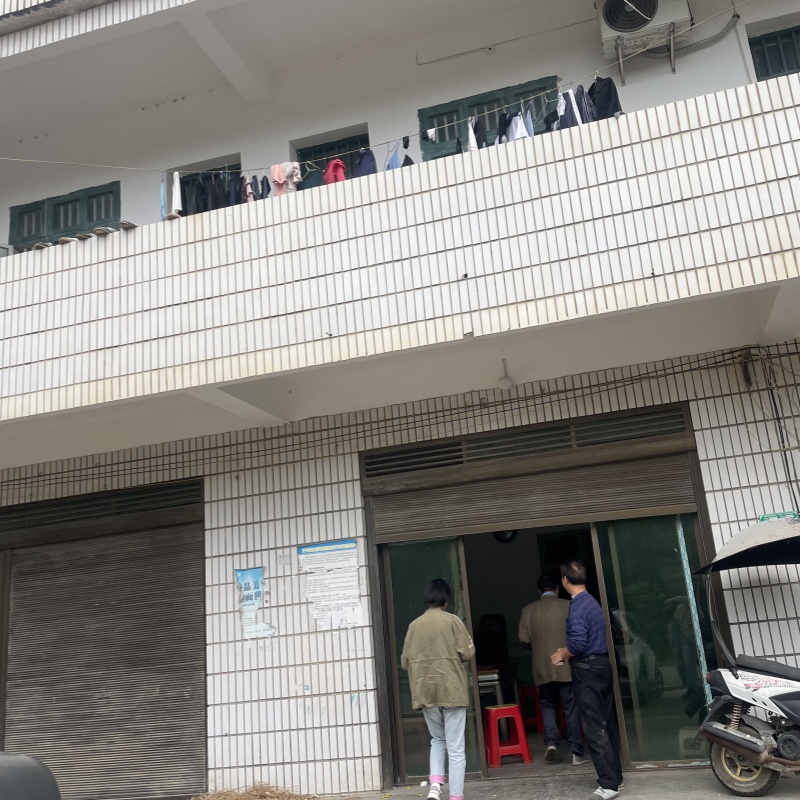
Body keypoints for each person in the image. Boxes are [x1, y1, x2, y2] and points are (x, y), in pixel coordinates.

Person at [551, 560, 623, 800]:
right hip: (601, 666)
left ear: (565, 581)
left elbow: (579, 644)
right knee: (606, 723)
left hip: (587, 671)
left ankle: (608, 784)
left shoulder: (578, 606)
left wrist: (562, 653)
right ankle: (616, 779)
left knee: (594, 727)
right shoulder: (592, 602)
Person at [401, 579, 476, 800]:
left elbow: (405, 661)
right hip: (451, 689)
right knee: (455, 747)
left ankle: (435, 786)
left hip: (425, 690)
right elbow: (468, 652)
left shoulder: (414, 626)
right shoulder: (453, 621)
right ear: (446, 600)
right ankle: (456, 795)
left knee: (437, 739)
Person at [519, 573, 586, 765]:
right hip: (566, 665)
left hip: (542, 667)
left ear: (539, 590)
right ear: (557, 588)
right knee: (570, 707)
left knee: (548, 705)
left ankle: (551, 743)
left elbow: (523, 639)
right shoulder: (569, 605)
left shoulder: (528, 610)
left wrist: (539, 648)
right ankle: (576, 753)